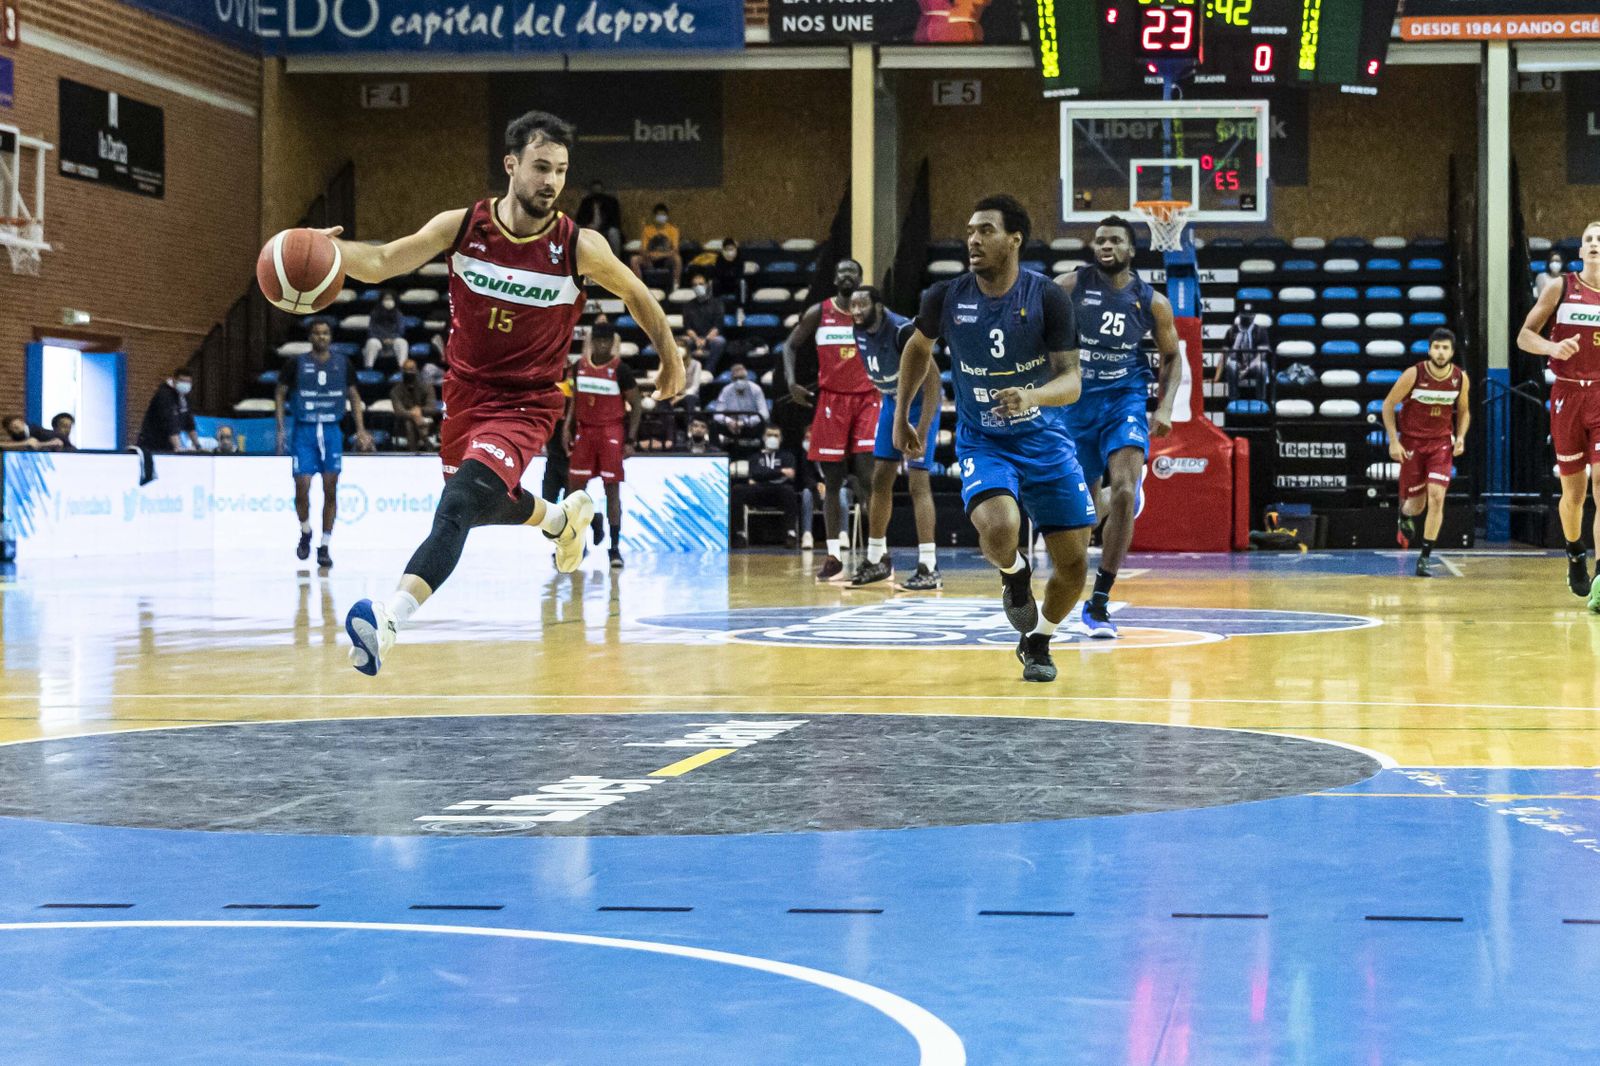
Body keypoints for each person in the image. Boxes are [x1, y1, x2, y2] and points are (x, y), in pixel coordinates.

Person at [334, 109, 684, 674]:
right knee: (480, 505)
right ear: (511, 164)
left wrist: (671, 355)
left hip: (526, 403)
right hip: (464, 395)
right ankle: (559, 521)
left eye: (561, 171)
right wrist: (326, 252)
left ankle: (388, 620)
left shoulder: (578, 245)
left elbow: (636, 293)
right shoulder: (462, 227)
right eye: (541, 167)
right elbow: (379, 262)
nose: (552, 182)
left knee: (457, 506)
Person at [894, 194, 1092, 682]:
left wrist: (1032, 396)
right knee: (1001, 527)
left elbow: (1071, 381)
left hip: (1045, 439)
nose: (973, 240)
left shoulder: (1048, 297)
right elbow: (917, 349)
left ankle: (1038, 641)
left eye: (985, 230)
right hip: (984, 441)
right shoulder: (945, 297)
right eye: (969, 231)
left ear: (1014, 239)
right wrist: (902, 413)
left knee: (1073, 567)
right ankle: (1014, 574)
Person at [1056, 215, 1182, 638]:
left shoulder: (1151, 301)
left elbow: (1172, 357)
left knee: (1126, 491)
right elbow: (1032, 323)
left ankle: (1099, 603)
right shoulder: (1069, 286)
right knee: (1083, 518)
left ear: (1131, 249)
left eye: (1114, 240)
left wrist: (1164, 406)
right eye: (1099, 240)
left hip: (1124, 398)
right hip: (1076, 402)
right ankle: (1107, 501)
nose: (1105, 245)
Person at [1517, 219, 1600, 610]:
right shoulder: (1560, 287)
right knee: (1574, 494)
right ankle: (1575, 552)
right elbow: (1524, 336)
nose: (1595, 244)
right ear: (1581, 251)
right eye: (1589, 239)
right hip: (1567, 394)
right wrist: (1552, 348)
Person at [784, 258, 881, 582]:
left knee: (868, 479)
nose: (847, 276)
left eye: (852, 272)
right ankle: (834, 558)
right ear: (835, 279)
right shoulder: (819, 312)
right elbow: (789, 346)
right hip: (831, 401)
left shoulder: (870, 313)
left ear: (861, 279)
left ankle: (879, 556)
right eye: (842, 272)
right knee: (833, 482)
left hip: (867, 399)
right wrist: (791, 383)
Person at [846, 285, 943, 591]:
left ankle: (929, 566)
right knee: (880, 478)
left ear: (878, 306)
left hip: (920, 404)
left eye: (862, 305)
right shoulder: (857, 330)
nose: (856, 310)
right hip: (892, 402)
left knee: (918, 482)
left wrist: (923, 430)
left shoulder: (903, 331)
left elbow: (934, 381)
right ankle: (876, 559)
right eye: (852, 306)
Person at [275, 318, 372, 569]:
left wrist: (361, 429)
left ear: (331, 337)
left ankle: (325, 545)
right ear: (310, 337)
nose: (321, 337)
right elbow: (280, 392)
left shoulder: (343, 363)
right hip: (304, 430)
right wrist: (280, 427)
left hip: (331, 431)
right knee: (302, 487)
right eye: (317, 333)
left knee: (331, 489)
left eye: (326, 333)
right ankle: (305, 530)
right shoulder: (296, 363)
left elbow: (354, 396)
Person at [1382, 328, 1470, 577]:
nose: (1440, 352)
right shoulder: (1414, 373)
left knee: (1437, 496)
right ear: (1430, 349)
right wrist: (1393, 441)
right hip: (1412, 443)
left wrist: (1460, 436)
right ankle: (1404, 514)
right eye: (1437, 347)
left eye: (1445, 348)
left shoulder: (1460, 378)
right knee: (1416, 506)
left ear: (1452, 352)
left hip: (1440, 443)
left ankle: (1425, 556)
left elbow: (1464, 411)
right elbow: (1388, 405)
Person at [565, 321, 641, 569]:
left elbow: (637, 405)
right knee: (574, 491)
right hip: (584, 430)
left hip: (610, 431)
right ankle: (579, 544)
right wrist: (567, 427)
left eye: (607, 341)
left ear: (613, 343)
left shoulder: (621, 370)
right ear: (591, 342)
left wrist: (630, 439)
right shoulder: (579, 366)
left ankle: (614, 549)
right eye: (598, 340)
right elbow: (574, 400)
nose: (602, 345)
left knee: (612, 491)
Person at [730, 425, 799, 548]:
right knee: (737, 489)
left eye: (776, 435)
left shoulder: (788, 456)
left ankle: (791, 534)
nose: (772, 438)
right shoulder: (755, 457)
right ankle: (740, 534)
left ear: (781, 439)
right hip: (759, 492)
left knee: (789, 490)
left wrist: (764, 475)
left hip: (779, 492)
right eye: (769, 435)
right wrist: (781, 471)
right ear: (763, 437)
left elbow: (790, 475)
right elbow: (755, 474)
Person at [136, 369, 201, 453]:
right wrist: (178, 447)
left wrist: (198, 446)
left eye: (188, 382)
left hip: (168, 445)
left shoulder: (184, 397)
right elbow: (169, 422)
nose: (185, 384)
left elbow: (190, 424)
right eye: (182, 381)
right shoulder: (164, 395)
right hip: (153, 446)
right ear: (174, 380)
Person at [1215, 302, 1270, 398]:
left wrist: (1247, 369)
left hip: (1253, 365)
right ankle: (1233, 398)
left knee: (1262, 366)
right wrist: (1216, 378)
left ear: (1254, 316)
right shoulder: (1231, 331)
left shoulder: (1260, 331)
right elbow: (1224, 356)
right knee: (1231, 364)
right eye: (1244, 316)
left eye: (1249, 316)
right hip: (1238, 364)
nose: (1246, 319)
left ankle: (1261, 399)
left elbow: (1261, 356)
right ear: (1239, 316)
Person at [389, 358, 440, 451]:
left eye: (411, 370)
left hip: (427, 421)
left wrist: (420, 410)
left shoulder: (427, 387)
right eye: (406, 371)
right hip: (403, 424)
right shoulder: (395, 390)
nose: (409, 374)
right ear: (402, 372)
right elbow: (399, 411)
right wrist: (415, 415)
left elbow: (432, 408)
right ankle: (426, 443)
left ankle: (413, 452)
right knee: (409, 423)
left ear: (417, 371)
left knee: (412, 423)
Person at [710, 363, 769, 442]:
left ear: (746, 377)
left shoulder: (756, 389)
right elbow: (717, 414)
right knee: (713, 424)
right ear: (731, 379)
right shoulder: (726, 390)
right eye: (736, 378)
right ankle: (716, 448)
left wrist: (744, 422)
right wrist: (729, 421)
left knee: (762, 424)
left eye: (741, 378)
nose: (739, 381)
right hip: (731, 425)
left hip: (750, 425)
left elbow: (764, 414)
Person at [682, 272, 728, 374]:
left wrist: (705, 340)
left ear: (707, 285)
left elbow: (717, 326)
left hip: (711, 338)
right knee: (682, 342)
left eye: (701, 284)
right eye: (695, 285)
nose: (698, 287)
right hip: (694, 339)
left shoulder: (717, 303)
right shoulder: (688, 305)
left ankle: (708, 371)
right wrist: (697, 339)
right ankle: (688, 372)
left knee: (719, 341)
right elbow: (688, 328)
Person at [630, 203, 682, 289]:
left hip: (666, 259)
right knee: (634, 260)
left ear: (667, 216)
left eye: (663, 214)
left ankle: (676, 285)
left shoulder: (673, 230)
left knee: (677, 259)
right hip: (650, 259)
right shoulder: (647, 230)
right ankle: (640, 288)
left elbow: (675, 250)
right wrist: (649, 255)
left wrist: (661, 255)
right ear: (654, 216)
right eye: (659, 214)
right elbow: (643, 249)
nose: (661, 217)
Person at [575, 179, 624, 254]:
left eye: (598, 190)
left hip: (606, 229)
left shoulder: (610, 202)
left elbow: (615, 221)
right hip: (589, 229)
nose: (597, 194)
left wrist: (602, 227)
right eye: (595, 190)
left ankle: (616, 258)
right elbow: (579, 219)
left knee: (613, 233)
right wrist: (587, 225)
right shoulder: (586, 203)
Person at [364, 290, 408, 369]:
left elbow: (401, 331)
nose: (388, 301)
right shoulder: (374, 313)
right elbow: (371, 331)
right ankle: (369, 368)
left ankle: (402, 368)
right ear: (381, 301)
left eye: (391, 299)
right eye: (386, 299)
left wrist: (392, 339)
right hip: (379, 341)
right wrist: (382, 339)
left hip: (394, 341)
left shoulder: (398, 314)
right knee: (371, 342)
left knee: (402, 342)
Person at [712, 238, 747, 313]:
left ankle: (740, 309)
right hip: (723, 283)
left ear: (735, 249)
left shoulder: (740, 258)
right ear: (723, 250)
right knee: (715, 282)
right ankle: (715, 308)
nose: (729, 251)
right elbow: (718, 274)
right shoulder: (719, 258)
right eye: (727, 249)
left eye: (731, 249)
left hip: (735, 283)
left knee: (741, 282)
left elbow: (740, 274)